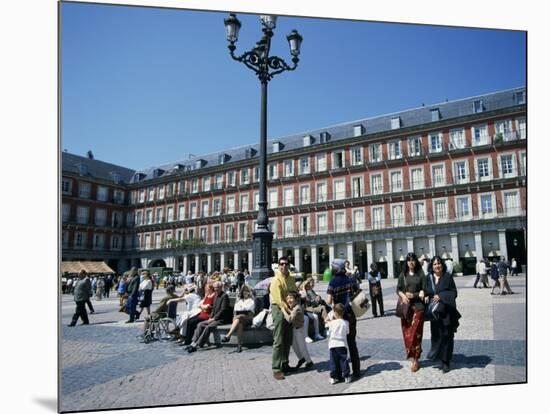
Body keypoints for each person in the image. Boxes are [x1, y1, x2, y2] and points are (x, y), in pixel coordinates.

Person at [326, 258, 361, 381]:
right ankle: (356, 371)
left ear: (334, 269)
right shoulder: (350, 280)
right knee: (352, 343)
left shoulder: (333, 282)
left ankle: (340, 374)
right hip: (350, 316)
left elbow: (329, 301)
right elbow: (358, 293)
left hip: (338, 317)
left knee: (339, 345)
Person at [425, 256, 462, 373]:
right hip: (435, 314)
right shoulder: (428, 278)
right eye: (435, 264)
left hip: (446, 312)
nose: (437, 266)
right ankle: (438, 356)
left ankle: (446, 361)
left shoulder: (447, 277)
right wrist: (425, 295)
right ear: (432, 266)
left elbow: (454, 292)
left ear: (442, 265)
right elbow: (426, 291)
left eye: (439, 263)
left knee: (447, 335)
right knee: (436, 335)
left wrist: (441, 296)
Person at [396, 252, 427, 373]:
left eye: (413, 259)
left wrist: (414, 294)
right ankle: (412, 357)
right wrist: (403, 295)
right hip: (406, 309)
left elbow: (424, 291)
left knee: (416, 333)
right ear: (406, 262)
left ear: (416, 261)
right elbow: (398, 289)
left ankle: (416, 358)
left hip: (418, 307)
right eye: (409, 260)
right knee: (407, 334)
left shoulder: (421, 274)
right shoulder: (403, 275)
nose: (411, 262)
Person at [270, 256, 298, 380]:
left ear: (289, 265)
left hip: (290, 308)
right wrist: (288, 310)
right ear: (278, 265)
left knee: (288, 338)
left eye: (286, 264)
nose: (284, 266)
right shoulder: (276, 280)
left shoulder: (291, 278)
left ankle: (285, 363)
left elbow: (294, 293)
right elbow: (279, 300)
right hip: (279, 309)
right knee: (279, 339)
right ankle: (276, 368)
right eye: (281, 264)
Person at [186, 281, 231, 353]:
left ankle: (197, 344)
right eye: (215, 288)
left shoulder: (224, 296)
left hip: (221, 319)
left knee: (208, 327)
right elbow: (213, 308)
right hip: (214, 318)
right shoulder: (216, 295)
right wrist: (211, 317)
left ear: (221, 287)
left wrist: (214, 318)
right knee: (200, 324)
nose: (216, 289)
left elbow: (223, 310)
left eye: (217, 288)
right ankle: (193, 342)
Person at [281, 291, 314, 370]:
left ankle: (309, 362)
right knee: (294, 345)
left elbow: (289, 319)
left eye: (291, 298)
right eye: (288, 298)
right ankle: (301, 358)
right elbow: (292, 313)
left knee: (302, 346)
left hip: (299, 330)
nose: (289, 300)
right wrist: (287, 309)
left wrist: (283, 310)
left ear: (296, 299)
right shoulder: (295, 307)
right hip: (295, 329)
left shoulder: (297, 308)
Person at [222, 285, 256, 352]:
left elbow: (251, 312)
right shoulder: (239, 301)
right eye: (244, 291)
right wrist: (236, 316)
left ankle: (228, 335)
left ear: (250, 292)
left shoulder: (251, 300)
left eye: (247, 291)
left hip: (248, 317)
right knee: (239, 323)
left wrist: (240, 313)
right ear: (242, 292)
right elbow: (235, 311)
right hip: (238, 318)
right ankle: (239, 346)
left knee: (239, 317)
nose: (245, 293)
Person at [325, 303, 351, 384]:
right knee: (343, 361)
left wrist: (328, 321)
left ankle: (333, 377)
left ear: (335, 313)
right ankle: (346, 376)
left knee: (333, 361)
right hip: (342, 344)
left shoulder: (332, 323)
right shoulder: (346, 322)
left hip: (332, 345)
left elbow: (328, 332)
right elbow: (347, 332)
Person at [300, 278, 327, 342]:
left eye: (309, 284)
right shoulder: (302, 292)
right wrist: (303, 288)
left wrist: (318, 297)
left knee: (316, 316)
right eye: (307, 284)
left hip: (310, 308)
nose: (309, 285)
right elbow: (305, 298)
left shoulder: (311, 291)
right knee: (307, 318)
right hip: (306, 309)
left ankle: (317, 334)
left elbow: (313, 300)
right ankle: (306, 336)